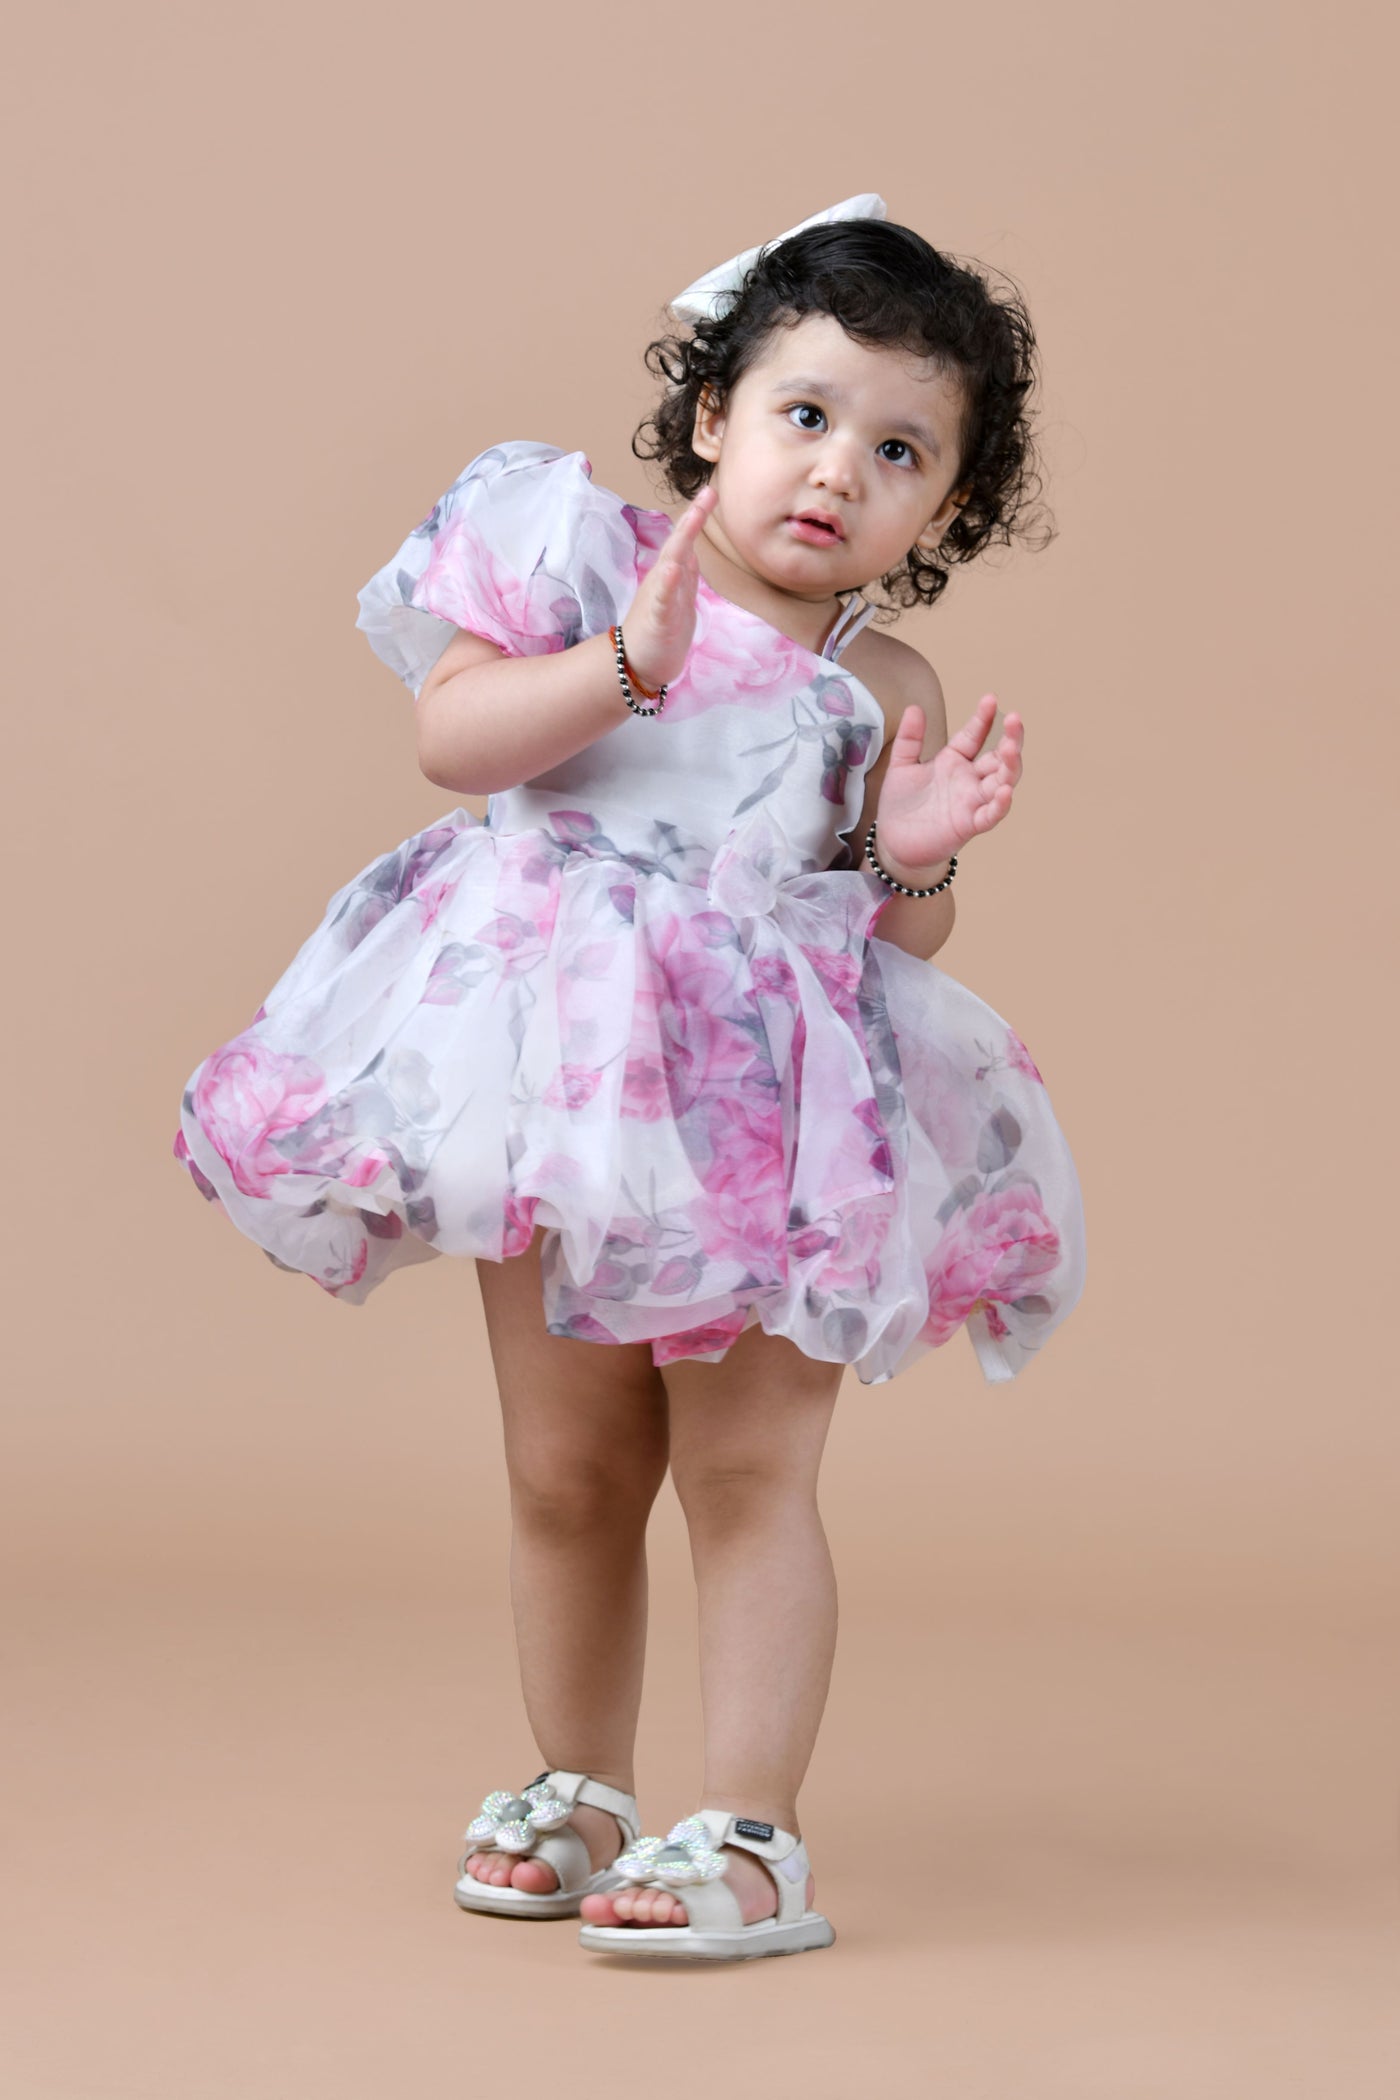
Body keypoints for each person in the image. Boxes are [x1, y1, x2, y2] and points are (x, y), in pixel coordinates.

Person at [173, 194, 1085, 1962]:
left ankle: (751, 1833)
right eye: (805, 414)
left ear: (944, 507)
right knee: (565, 1465)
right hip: (567, 1087)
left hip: (761, 1113)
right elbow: (454, 740)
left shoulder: (876, 675)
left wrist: (908, 854)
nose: (838, 470)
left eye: (900, 451)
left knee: (748, 1471)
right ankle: (580, 1783)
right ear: (715, 414)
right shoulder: (582, 560)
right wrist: (620, 670)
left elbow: (895, 934)